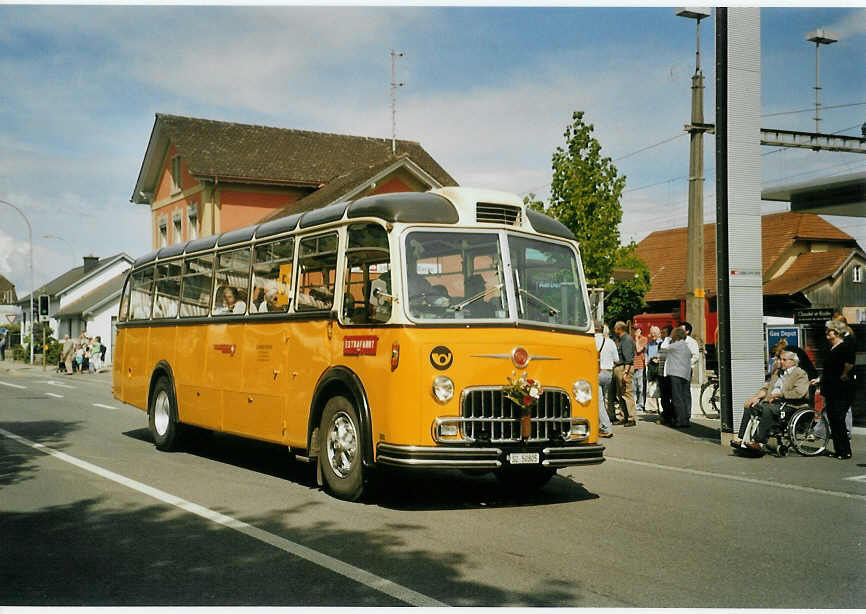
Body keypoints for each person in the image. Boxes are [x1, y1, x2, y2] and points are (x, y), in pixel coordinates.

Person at [732, 350, 810, 450]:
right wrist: (755, 397)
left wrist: (779, 395)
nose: (781, 362)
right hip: (773, 402)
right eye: (780, 359)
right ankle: (743, 440)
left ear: (793, 362)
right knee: (750, 406)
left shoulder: (800, 373)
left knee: (767, 409)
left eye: (784, 360)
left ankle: (759, 443)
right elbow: (767, 388)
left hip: (791, 405)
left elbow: (799, 393)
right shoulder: (778, 373)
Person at [812, 320, 855, 459]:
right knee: (833, 419)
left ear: (836, 332)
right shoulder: (832, 348)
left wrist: (844, 373)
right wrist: (820, 379)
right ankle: (839, 450)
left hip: (841, 389)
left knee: (838, 419)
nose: (826, 335)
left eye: (828, 332)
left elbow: (850, 362)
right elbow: (828, 369)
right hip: (830, 388)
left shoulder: (844, 346)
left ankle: (845, 451)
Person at [664, 328, 694, 428]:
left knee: (677, 398)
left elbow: (663, 349)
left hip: (676, 374)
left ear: (676, 335)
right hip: (685, 374)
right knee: (684, 397)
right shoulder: (685, 346)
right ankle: (685, 419)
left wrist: (667, 339)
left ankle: (680, 420)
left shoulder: (675, 345)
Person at [612, 321, 637, 427]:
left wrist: (626, 373)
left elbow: (628, 359)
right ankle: (624, 416)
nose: (614, 330)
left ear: (619, 329)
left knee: (627, 393)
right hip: (620, 368)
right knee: (620, 394)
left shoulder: (626, 340)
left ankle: (631, 418)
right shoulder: (622, 339)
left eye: (615, 328)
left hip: (624, 368)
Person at [595, 322, 618, 438]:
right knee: (602, 401)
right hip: (608, 373)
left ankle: (606, 427)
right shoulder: (611, 342)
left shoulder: (592, 340)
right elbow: (616, 359)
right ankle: (598, 425)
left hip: (597, 372)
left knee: (598, 403)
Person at [657, 325, 674, 424]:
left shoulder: (671, 343)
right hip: (661, 373)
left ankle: (669, 415)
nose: (661, 335)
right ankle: (666, 415)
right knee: (663, 397)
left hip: (668, 373)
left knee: (670, 396)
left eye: (663, 333)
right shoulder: (661, 344)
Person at [644, 326, 662, 413]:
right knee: (650, 386)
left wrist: (658, 359)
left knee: (658, 386)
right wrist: (646, 361)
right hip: (651, 366)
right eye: (651, 333)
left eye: (654, 333)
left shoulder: (661, 343)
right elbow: (646, 353)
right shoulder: (649, 343)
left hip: (659, 365)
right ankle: (653, 407)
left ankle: (660, 407)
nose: (653, 335)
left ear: (659, 334)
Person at [632, 327, 647, 413]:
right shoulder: (631, 339)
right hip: (632, 365)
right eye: (635, 330)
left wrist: (637, 339)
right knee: (633, 387)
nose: (635, 332)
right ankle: (634, 404)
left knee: (640, 387)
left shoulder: (643, 339)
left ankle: (640, 404)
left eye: (637, 330)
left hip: (640, 365)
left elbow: (638, 350)